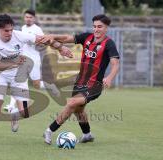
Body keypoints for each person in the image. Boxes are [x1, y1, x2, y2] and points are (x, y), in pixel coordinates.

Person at [0, 14, 72, 146]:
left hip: (18, 77)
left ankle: (14, 114)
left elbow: (44, 40)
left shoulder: (19, 35)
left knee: (25, 113)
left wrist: (60, 47)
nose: (9, 33)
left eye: (11, 29)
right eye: (6, 30)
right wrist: (13, 62)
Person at [41, 14, 120, 144]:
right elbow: (66, 38)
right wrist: (52, 36)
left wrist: (110, 77)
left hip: (95, 84)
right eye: (94, 26)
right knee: (79, 110)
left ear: (106, 28)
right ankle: (87, 134)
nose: (96, 29)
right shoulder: (86, 37)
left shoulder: (109, 44)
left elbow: (115, 63)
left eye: (100, 27)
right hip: (80, 82)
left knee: (72, 103)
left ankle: (49, 131)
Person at [4, 9, 60, 117]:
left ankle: (51, 86)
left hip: (34, 60)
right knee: (18, 81)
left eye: (30, 17)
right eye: (26, 17)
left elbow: (44, 44)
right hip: (23, 59)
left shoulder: (37, 30)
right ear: (24, 18)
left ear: (34, 18)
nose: (28, 19)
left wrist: (35, 42)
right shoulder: (23, 28)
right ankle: (11, 106)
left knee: (37, 85)